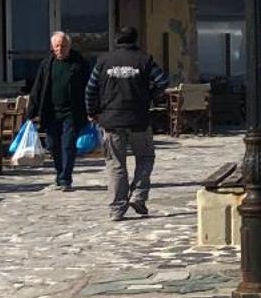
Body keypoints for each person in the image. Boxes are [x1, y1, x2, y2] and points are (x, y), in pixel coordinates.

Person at [86, 25, 168, 222]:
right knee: (146, 157)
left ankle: (117, 208)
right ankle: (139, 196)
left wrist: (92, 112)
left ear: (116, 40)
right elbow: (163, 83)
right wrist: (151, 96)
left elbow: (90, 89)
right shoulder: (144, 59)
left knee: (115, 164)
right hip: (139, 119)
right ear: (135, 39)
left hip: (111, 120)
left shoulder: (104, 61)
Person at [25, 31, 92, 190]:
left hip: (72, 112)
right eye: (57, 46)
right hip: (51, 112)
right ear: (52, 47)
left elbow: (90, 87)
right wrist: (31, 112)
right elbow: (38, 88)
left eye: (63, 46)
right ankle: (60, 172)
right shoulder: (47, 64)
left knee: (68, 144)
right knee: (52, 144)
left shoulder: (79, 63)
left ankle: (65, 178)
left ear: (69, 46)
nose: (60, 49)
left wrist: (92, 109)